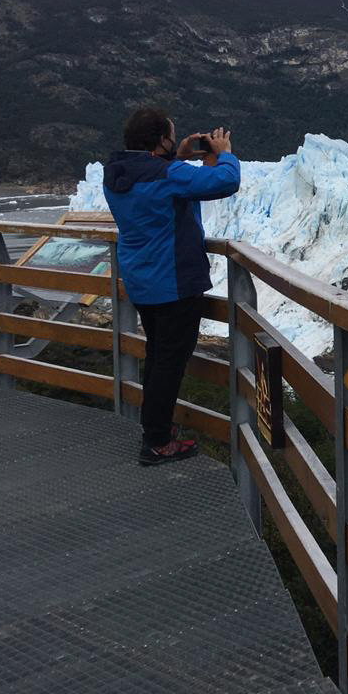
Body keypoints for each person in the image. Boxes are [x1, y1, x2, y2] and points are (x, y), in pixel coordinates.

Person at [102, 107, 240, 466]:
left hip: (143, 282)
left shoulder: (117, 173)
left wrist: (177, 158)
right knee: (169, 363)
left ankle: (155, 433)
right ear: (161, 140)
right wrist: (223, 153)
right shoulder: (166, 175)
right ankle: (157, 442)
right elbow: (224, 183)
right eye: (172, 136)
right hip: (174, 283)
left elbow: (167, 194)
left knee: (158, 357)